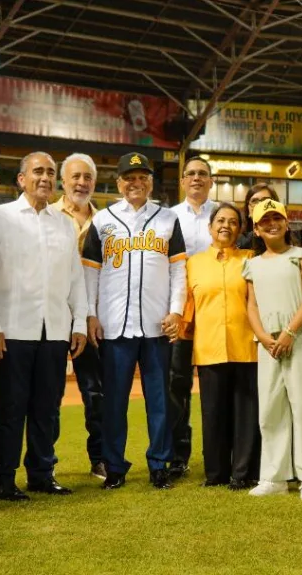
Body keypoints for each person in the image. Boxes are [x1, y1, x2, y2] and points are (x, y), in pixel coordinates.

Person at [0, 152, 88, 501]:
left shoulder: (64, 224)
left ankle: (42, 473)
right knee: (10, 408)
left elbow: (75, 277)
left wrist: (79, 322)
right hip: (12, 330)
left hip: (55, 330)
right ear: (21, 179)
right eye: (38, 171)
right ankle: (3, 478)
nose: (45, 177)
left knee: (48, 408)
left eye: (50, 172)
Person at [82, 152, 186, 490]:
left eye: (142, 177)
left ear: (151, 183)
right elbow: (90, 273)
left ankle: (159, 464)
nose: (136, 183)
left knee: (159, 402)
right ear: (119, 183)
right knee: (114, 402)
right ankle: (114, 466)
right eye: (129, 178)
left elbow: (178, 270)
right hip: (114, 325)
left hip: (157, 324)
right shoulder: (102, 220)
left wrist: (176, 310)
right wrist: (91, 313)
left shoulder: (168, 218)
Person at [243, 199, 302, 500]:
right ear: (256, 229)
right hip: (268, 344)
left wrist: (290, 332)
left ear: (286, 222)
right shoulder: (252, 264)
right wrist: (263, 337)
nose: (272, 224)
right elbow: (251, 306)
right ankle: (274, 477)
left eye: (276, 218)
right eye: (264, 221)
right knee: (270, 409)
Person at [181, 202, 261, 489]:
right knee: (213, 415)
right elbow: (187, 306)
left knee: (246, 415)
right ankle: (215, 474)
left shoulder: (251, 259)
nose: (226, 225)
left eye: (233, 222)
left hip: (246, 348)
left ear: (240, 229)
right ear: (210, 227)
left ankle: (243, 473)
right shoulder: (193, 264)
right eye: (221, 221)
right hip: (209, 348)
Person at [53, 152, 106, 480]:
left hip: (90, 318)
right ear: (63, 181)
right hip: (53, 316)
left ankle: (99, 457)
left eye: (87, 177)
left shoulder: (105, 222)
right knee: (49, 393)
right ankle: (45, 462)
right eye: (75, 176)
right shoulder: (47, 215)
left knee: (95, 393)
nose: (81, 183)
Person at [167, 156, 217, 478]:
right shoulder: (168, 217)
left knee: (218, 383)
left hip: (216, 309)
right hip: (181, 310)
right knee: (177, 384)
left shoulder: (223, 215)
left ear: (211, 181)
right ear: (182, 181)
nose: (197, 178)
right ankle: (177, 456)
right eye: (191, 174)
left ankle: (220, 454)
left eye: (203, 174)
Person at [238, 183, 279, 249]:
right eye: (254, 201)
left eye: (266, 200)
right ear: (248, 210)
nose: (259, 205)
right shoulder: (240, 243)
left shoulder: (291, 242)